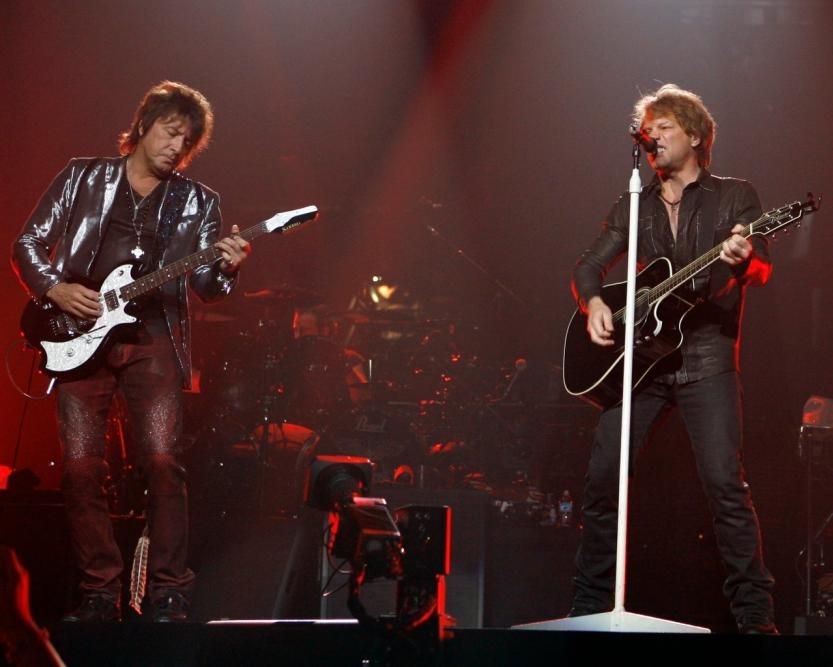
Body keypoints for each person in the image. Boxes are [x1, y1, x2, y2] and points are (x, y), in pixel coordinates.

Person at [11, 81, 251, 622]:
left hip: (154, 338)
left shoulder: (199, 202)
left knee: (163, 461)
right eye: (170, 132)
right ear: (144, 125)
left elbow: (207, 286)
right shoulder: (82, 176)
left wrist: (227, 267)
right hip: (78, 334)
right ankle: (99, 590)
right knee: (80, 468)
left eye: (187, 141)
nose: (176, 146)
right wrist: (54, 288)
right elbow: (27, 243)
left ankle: (169, 588)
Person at [569, 84, 777, 633]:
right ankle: (588, 609)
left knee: (725, 487)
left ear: (696, 136)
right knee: (602, 479)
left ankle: (755, 619)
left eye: (664, 128)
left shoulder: (735, 197)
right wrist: (594, 303)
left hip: (707, 360)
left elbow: (760, 269)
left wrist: (743, 257)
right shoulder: (633, 202)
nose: (652, 137)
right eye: (647, 130)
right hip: (642, 364)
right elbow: (589, 266)